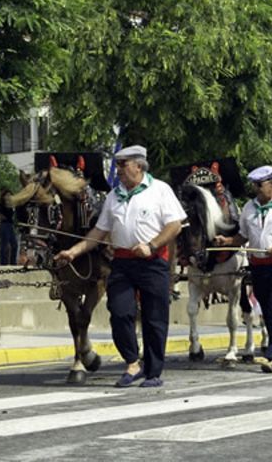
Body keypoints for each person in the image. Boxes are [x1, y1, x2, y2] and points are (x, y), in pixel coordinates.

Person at [54, 145, 185, 388]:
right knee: (120, 311)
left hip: (153, 261)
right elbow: (99, 231)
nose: (119, 170)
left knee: (155, 318)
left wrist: (152, 244)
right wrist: (73, 252)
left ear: (139, 165)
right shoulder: (115, 195)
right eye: (118, 165)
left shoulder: (159, 190)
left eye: (123, 165)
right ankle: (133, 362)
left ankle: (153, 372)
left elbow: (174, 225)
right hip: (123, 262)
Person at [213, 165, 272, 373]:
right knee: (267, 311)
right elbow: (243, 235)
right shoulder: (249, 207)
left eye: (259, 184)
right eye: (254, 185)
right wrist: (228, 240)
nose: (256, 189)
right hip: (258, 267)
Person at [0, 189, 18, 266]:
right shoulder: (1, 205)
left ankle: (13, 262)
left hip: (10, 225)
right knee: (5, 245)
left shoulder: (12, 206)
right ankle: (3, 262)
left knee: (14, 244)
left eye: (10, 195)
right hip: (5, 225)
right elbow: (1, 216)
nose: (8, 197)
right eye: (7, 195)